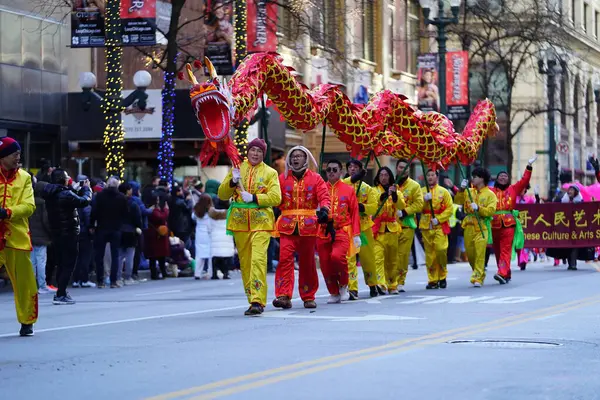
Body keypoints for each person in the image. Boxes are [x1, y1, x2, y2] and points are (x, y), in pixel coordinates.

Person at [217, 138, 281, 316]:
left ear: (263, 154)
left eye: (259, 151)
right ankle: (251, 298)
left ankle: (258, 301)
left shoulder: (270, 173)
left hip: (261, 222)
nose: (255, 153)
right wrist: (232, 182)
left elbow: (276, 197)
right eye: (253, 150)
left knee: (258, 260)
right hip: (240, 222)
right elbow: (222, 194)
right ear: (248, 152)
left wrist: (254, 198)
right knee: (245, 263)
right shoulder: (237, 168)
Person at [272, 146, 329, 309]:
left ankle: (308, 295)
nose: (296, 159)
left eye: (299, 156)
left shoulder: (316, 178)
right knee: (284, 260)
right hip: (286, 226)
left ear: (306, 159)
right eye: (293, 156)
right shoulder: (281, 178)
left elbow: (325, 197)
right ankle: (283, 295)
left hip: (309, 227)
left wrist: (324, 209)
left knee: (307, 262)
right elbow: (275, 198)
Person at [0, 138, 37, 336]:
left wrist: (7, 212)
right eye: (14, 154)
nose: (18, 157)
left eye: (19, 154)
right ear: (3, 156)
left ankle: (27, 321)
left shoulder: (24, 177)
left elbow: (29, 206)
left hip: (17, 236)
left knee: (25, 282)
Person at [43, 170, 92, 304]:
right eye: (66, 177)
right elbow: (84, 201)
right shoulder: (65, 194)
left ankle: (62, 292)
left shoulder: (52, 193)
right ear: (61, 179)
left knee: (61, 264)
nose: (69, 179)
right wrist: (87, 189)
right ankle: (61, 293)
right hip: (69, 233)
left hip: (57, 233)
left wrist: (75, 189)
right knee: (68, 264)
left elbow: (71, 196)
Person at [317, 160, 361, 304]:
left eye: (334, 169)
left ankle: (343, 285)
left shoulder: (348, 190)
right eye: (328, 169)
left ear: (341, 172)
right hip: (323, 231)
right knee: (325, 262)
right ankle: (333, 292)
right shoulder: (320, 188)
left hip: (341, 230)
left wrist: (356, 234)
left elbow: (354, 213)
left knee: (337, 257)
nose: (331, 172)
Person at [489, 155, 536, 284]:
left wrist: (529, 166)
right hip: (494, 224)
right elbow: (477, 190)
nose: (503, 177)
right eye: (501, 176)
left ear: (508, 179)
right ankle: (506, 273)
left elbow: (524, 181)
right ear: (497, 179)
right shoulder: (490, 191)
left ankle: (501, 273)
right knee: (498, 251)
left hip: (509, 224)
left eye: (505, 176)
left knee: (505, 250)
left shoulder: (513, 189)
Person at [343, 159, 380, 299]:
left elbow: (373, 206)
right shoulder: (344, 184)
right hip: (348, 228)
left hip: (363, 228)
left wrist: (362, 207)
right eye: (350, 167)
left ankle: (372, 284)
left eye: (356, 167)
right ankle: (352, 288)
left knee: (367, 257)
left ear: (361, 169)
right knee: (349, 258)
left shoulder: (367, 188)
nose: (352, 169)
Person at [455, 167, 497, 287]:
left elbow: (490, 211)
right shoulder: (469, 191)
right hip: (469, 225)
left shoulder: (490, 194)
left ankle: (478, 277)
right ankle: (478, 271)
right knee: (471, 254)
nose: (472, 179)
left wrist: (479, 208)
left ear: (482, 179)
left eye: (475, 177)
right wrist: (461, 189)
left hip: (482, 226)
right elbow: (457, 201)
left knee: (479, 253)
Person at [372, 167, 406, 295]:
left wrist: (395, 196)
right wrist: (383, 197)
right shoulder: (374, 191)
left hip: (392, 229)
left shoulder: (396, 191)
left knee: (392, 259)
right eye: (381, 175)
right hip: (378, 229)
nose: (384, 177)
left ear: (390, 177)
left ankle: (392, 284)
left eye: (386, 175)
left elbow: (402, 206)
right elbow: (373, 205)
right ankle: (381, 284)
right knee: (378, 258)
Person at [90, 177, 128, 288]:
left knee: (99, 255)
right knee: (115, 255)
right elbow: (126, 213)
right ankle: (113, 281)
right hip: (116, 228)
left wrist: (92, 224)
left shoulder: (100, 196)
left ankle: (100, 281)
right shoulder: (122, 197)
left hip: (102, 227)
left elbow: (94, 211)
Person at [419, 170, 453, 289]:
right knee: (430, 254)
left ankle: (442, 275)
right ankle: (433, 279)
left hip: (439, 225)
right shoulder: (421, 191)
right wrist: (424, 201)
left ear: (437, 177)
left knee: (441, 249)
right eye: (428, 175)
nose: (430, 177)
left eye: (432, 175)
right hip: (426, 225)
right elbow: (417, 207)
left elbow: (449, 209)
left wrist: (439, 219)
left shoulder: (444, 192)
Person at [395, 159, 424, 292]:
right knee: (389, 254)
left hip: (406, 225)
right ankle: (389, 279)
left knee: (402, 255)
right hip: (389, 226)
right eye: (401, 167)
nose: (403, 170)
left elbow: (419, 204)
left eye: (406, 168)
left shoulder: (414, 186)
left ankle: (400, 281)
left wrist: (405, 211)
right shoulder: (390, 183)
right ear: (396, 168)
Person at [29, 178, 54, 294]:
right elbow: (47, 221)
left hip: (30, 235)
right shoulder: (44, 203)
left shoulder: (30, 201)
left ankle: (32, 285)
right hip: (42, 236)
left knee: (32, 262)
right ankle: (42, 286)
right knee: (41, 261)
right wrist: (51, 233)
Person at [118, 183, 142, 286]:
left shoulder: (117, 202)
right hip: (131, 231)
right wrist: (138, 227)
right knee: (129, 255)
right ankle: (128, 277)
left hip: (119, 230)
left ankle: (118, 277)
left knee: (119, 255)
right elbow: (138, 219)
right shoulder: (133, 204)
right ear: (127, 191)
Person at [208, 197, 234, 279]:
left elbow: (209, 226)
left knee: (215, 256)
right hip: (226, 236)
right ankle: (226, 273)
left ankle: (214, 274)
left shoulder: (212, 214)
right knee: (226, 256)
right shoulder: (230, 213)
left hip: (215, 236)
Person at [193, 194, 213, 280]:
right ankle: (210, 272)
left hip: (199, 233)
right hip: (208, 233)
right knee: (210, 254)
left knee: (199, 254)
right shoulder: (210, 210)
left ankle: (197, 273)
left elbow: (193, 217)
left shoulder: (197, 210)